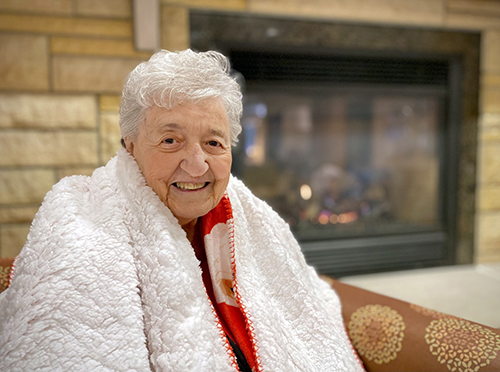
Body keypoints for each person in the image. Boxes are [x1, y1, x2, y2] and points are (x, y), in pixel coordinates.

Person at [0, 49, 364, 372]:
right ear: (130, 147)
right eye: (170, 140)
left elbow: (303, 318)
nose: (196, 164)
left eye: (213, 142)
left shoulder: (249, 217)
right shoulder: (80, 228)